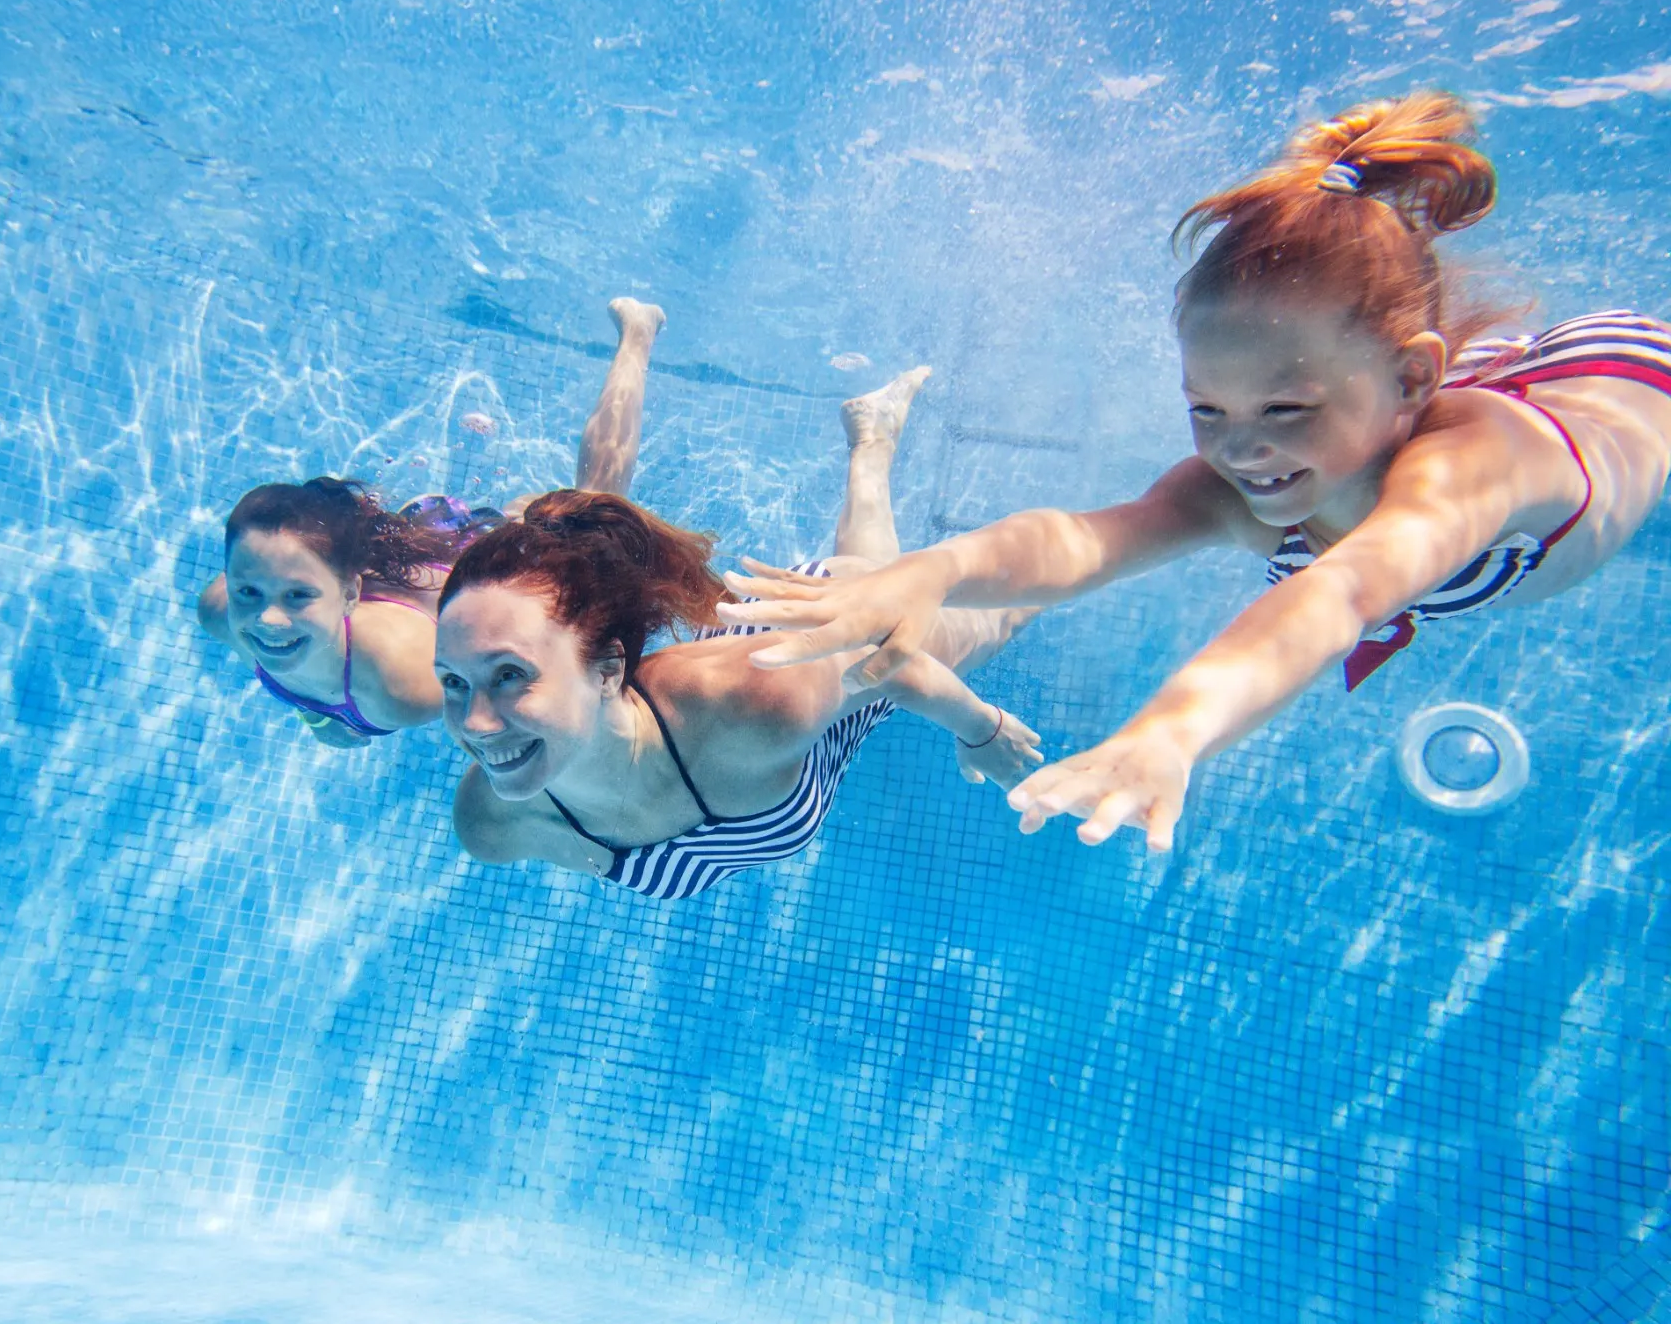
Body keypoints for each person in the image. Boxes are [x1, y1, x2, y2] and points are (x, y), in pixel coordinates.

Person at [714, 91, 1671, 853]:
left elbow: (1342, 592)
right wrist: (930, 571)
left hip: (1627, 385)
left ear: (1416, 378)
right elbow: (1088, 538)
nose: (1241, 450)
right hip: (1452, 387)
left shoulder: (1464, 470)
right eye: (1207, 409)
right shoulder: (1268, 471)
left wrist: (1173, 728)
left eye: (1283, 410)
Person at [435, 368, 1044, 899]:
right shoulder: (493, 823)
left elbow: (890, 654)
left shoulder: (758, 698)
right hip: (796, 712)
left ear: (608, 670)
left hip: (813, 637)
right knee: (885, 570)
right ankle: (872, 439)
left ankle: (1090, 529)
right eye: (454, 682)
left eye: (510, 675)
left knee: (1010, 608)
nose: (475, 723)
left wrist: (981, 730)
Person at [196, 297, 668, 746]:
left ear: (350, 595)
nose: (268, 618)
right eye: (248, 592)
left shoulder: (404, 683)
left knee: (596, 503)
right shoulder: (221, 612)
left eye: (298, 595)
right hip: (415, 542)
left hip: (472, 558)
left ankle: (638, 333)